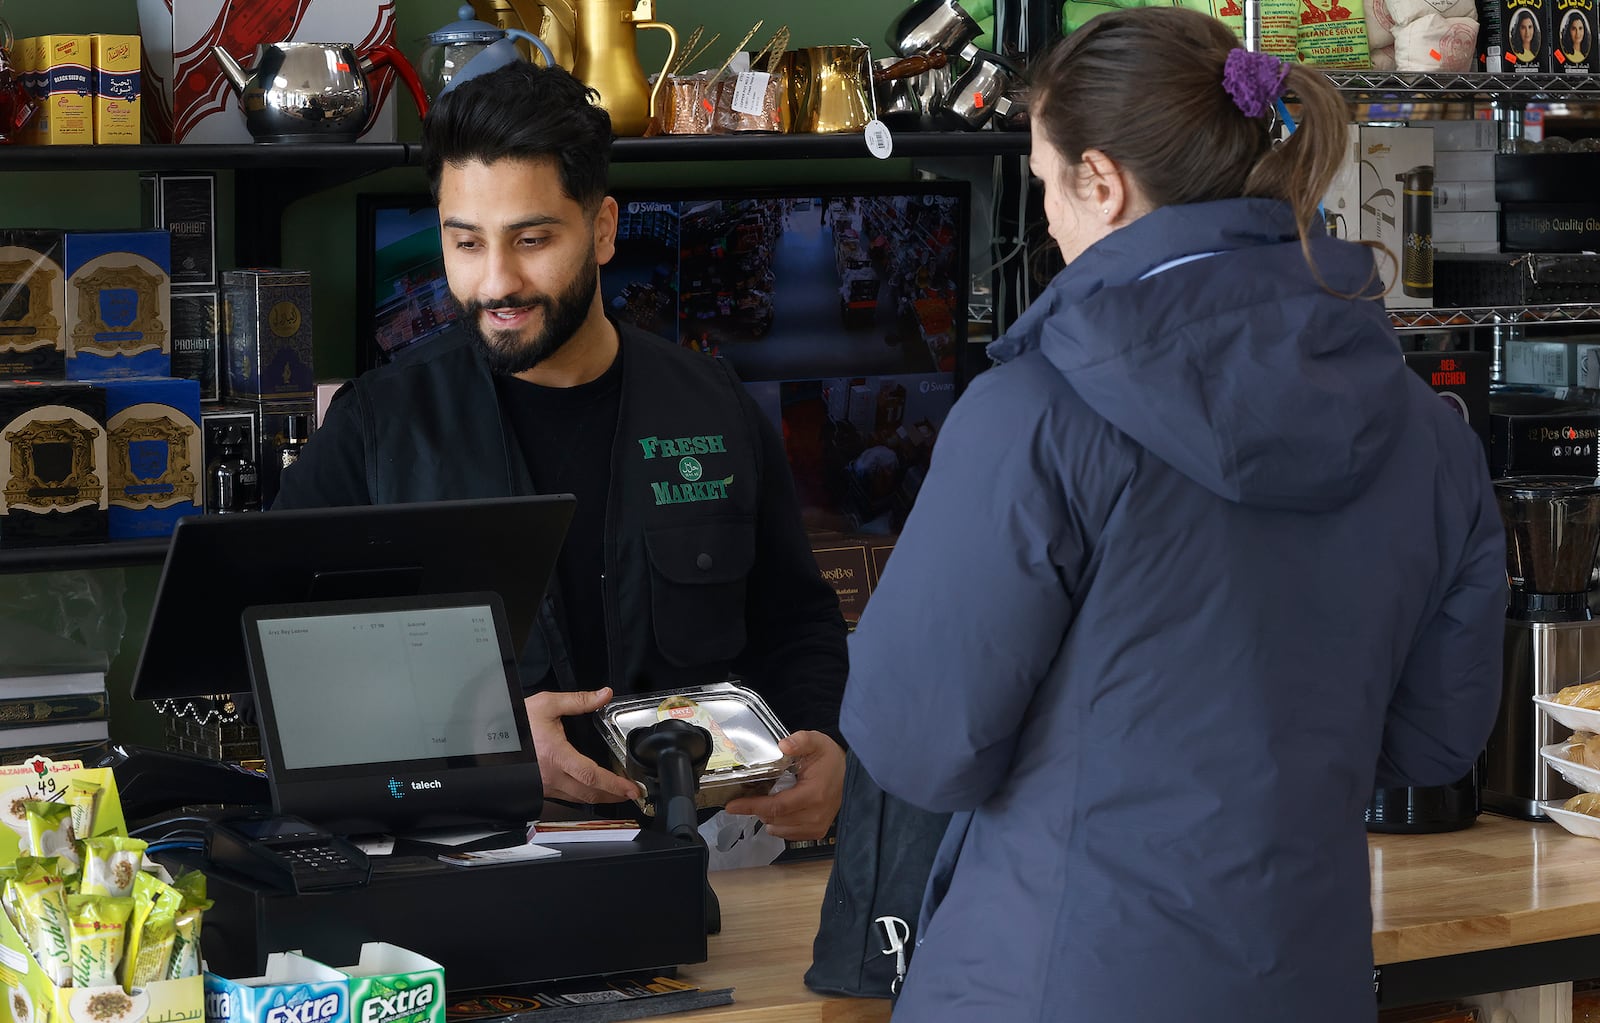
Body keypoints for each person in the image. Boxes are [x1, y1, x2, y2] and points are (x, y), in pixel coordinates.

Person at [838, 9, 1504, 1021]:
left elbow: (918, 746)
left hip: (1047, 982)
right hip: (1302, 979)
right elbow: (1431, 747)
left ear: (1100, 182)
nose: (1049, 221)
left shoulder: (1034, 415)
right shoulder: (1430, 432)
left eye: (1043, 183)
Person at [274, 60, 848, 841]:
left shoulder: (714, 404)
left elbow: (798, 622)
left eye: (532, 239)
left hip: (712, 859)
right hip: (470, 866)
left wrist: (826, 741)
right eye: (466, 243)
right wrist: (485, 741)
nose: (496, 281)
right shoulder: (378, 426)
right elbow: (290, 664)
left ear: (603, 229)